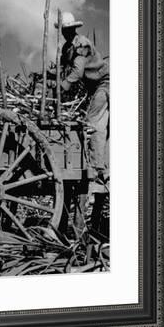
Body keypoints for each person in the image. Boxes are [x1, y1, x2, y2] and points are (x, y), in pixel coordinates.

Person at [57, 12, 109, 201]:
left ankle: (97, 167)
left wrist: (62, 87)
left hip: (104, 83)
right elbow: (62, 67)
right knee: (87, 121)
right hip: (92, 87)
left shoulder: (82, 44)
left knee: (93, 122)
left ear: (74, 29)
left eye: (69, 29)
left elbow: (77, 72)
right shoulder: (67, 47)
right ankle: (94, 161)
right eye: (65, 30)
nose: (66, 33)